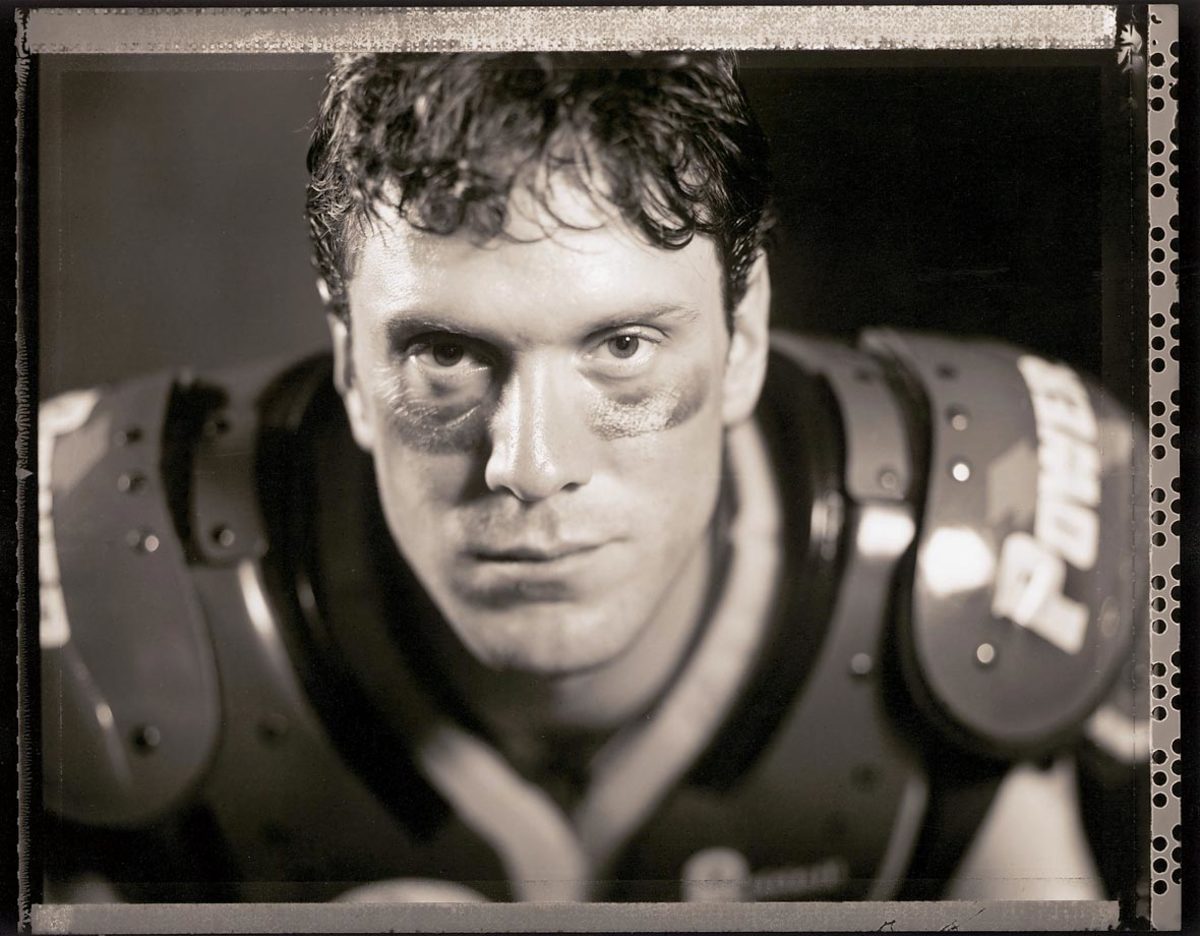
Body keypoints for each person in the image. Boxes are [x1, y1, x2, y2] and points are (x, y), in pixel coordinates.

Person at [39, 51, 1147, 910]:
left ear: (744, 338)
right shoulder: (96, 576)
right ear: (349, 362)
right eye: (445, 354)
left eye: (622, 347)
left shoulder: (988, 548)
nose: (530, 467)